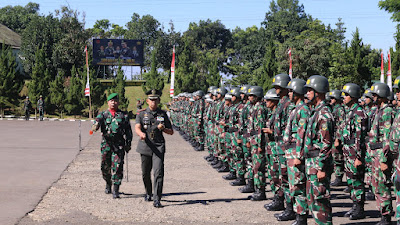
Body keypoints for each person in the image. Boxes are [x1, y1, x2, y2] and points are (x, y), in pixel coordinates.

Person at [135, 89, 174, 208]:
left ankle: (157, 199)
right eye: (151, 100)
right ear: (147, 101)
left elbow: (171, 131)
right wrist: (141, 134)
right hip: (145, 145)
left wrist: (163, 129)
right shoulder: (141, 114)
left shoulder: (162, 114)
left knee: (158, 172)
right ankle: (148, 192)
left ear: (158, 101)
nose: (153, 102)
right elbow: (137, 127)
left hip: (158, 146)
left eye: (155, 100)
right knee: (145, 173)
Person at [303, 75, 334, 225]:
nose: (307, 93)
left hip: (318, 165)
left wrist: (321, 167)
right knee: (313, 202)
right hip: (312, 165)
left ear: (318, 91)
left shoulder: (324, 114)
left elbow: (326, 144)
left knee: (320, 202)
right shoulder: (316, 111)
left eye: (310, 90)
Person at [91, 93, 133, 199]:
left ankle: (116, 189)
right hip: (106, 145)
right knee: (105, 166)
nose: (113, 103)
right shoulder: (103, 114)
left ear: (118, 102)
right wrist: (95, 127)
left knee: (118, 166)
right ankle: (108, 183)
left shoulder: (123, 115)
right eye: (111, 101)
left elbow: (128, 131)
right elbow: (97, 122)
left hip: (119, 145)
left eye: (115, 101)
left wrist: (128, 143)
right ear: (108, 102)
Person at [369, 82, 394, 225]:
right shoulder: (379, 110)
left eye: (375, 94)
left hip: (381, 156)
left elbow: (387, 137)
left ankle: (386, 216)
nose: (373, 96)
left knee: (383, 186)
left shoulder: (387, 112)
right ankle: (382, 213)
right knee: (377, 185)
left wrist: (384, 159)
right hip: (375, 155)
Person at [341, 83, 367, 220]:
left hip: (354, 153)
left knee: (357, 181)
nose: (344, 97)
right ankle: (354, 205)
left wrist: (358, 157)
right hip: (348, 152)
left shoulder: (359, 113)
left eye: (346, 95)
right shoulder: (350, 111)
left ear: (353, 96)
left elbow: (360, 137)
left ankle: (359, 208)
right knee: (351, 181)